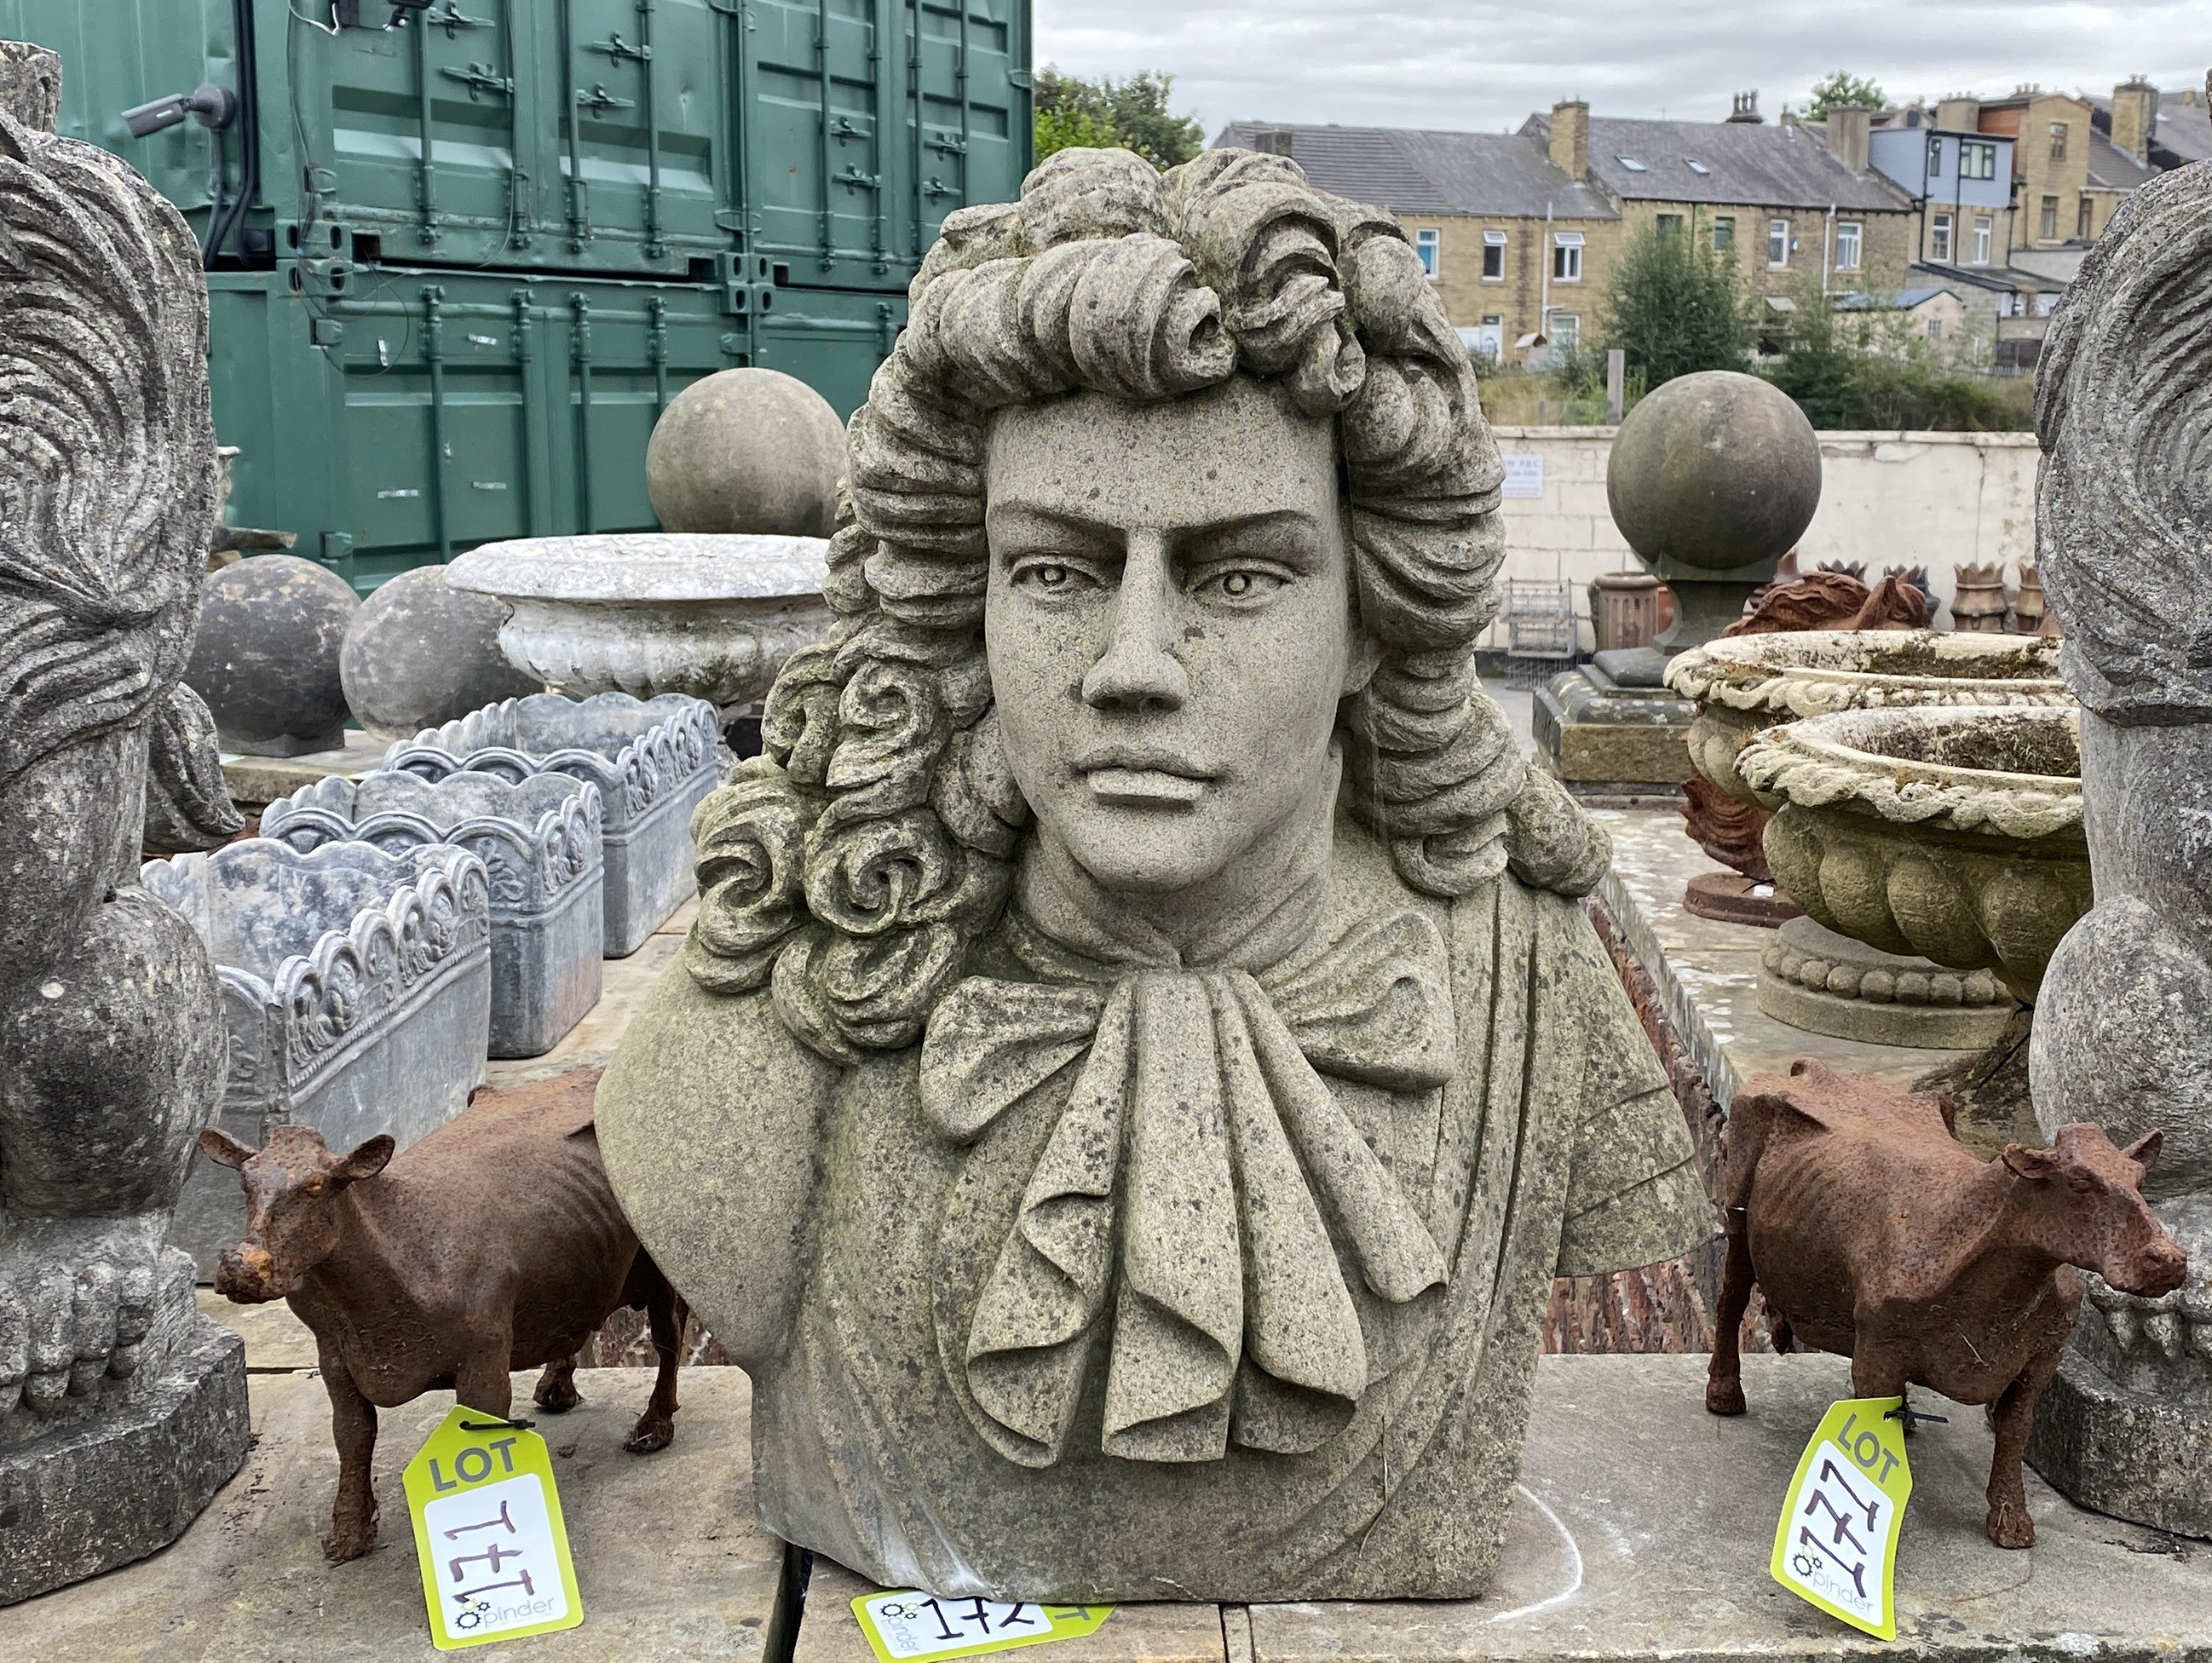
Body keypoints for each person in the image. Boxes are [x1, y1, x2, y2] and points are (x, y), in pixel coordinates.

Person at [598, 146, 1707, 1602]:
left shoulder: (1527, 962)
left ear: (1375, 617)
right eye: (1054, 574)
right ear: (964, 599)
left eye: (1237, 577)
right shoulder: (785, 1004)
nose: (1129, 671)